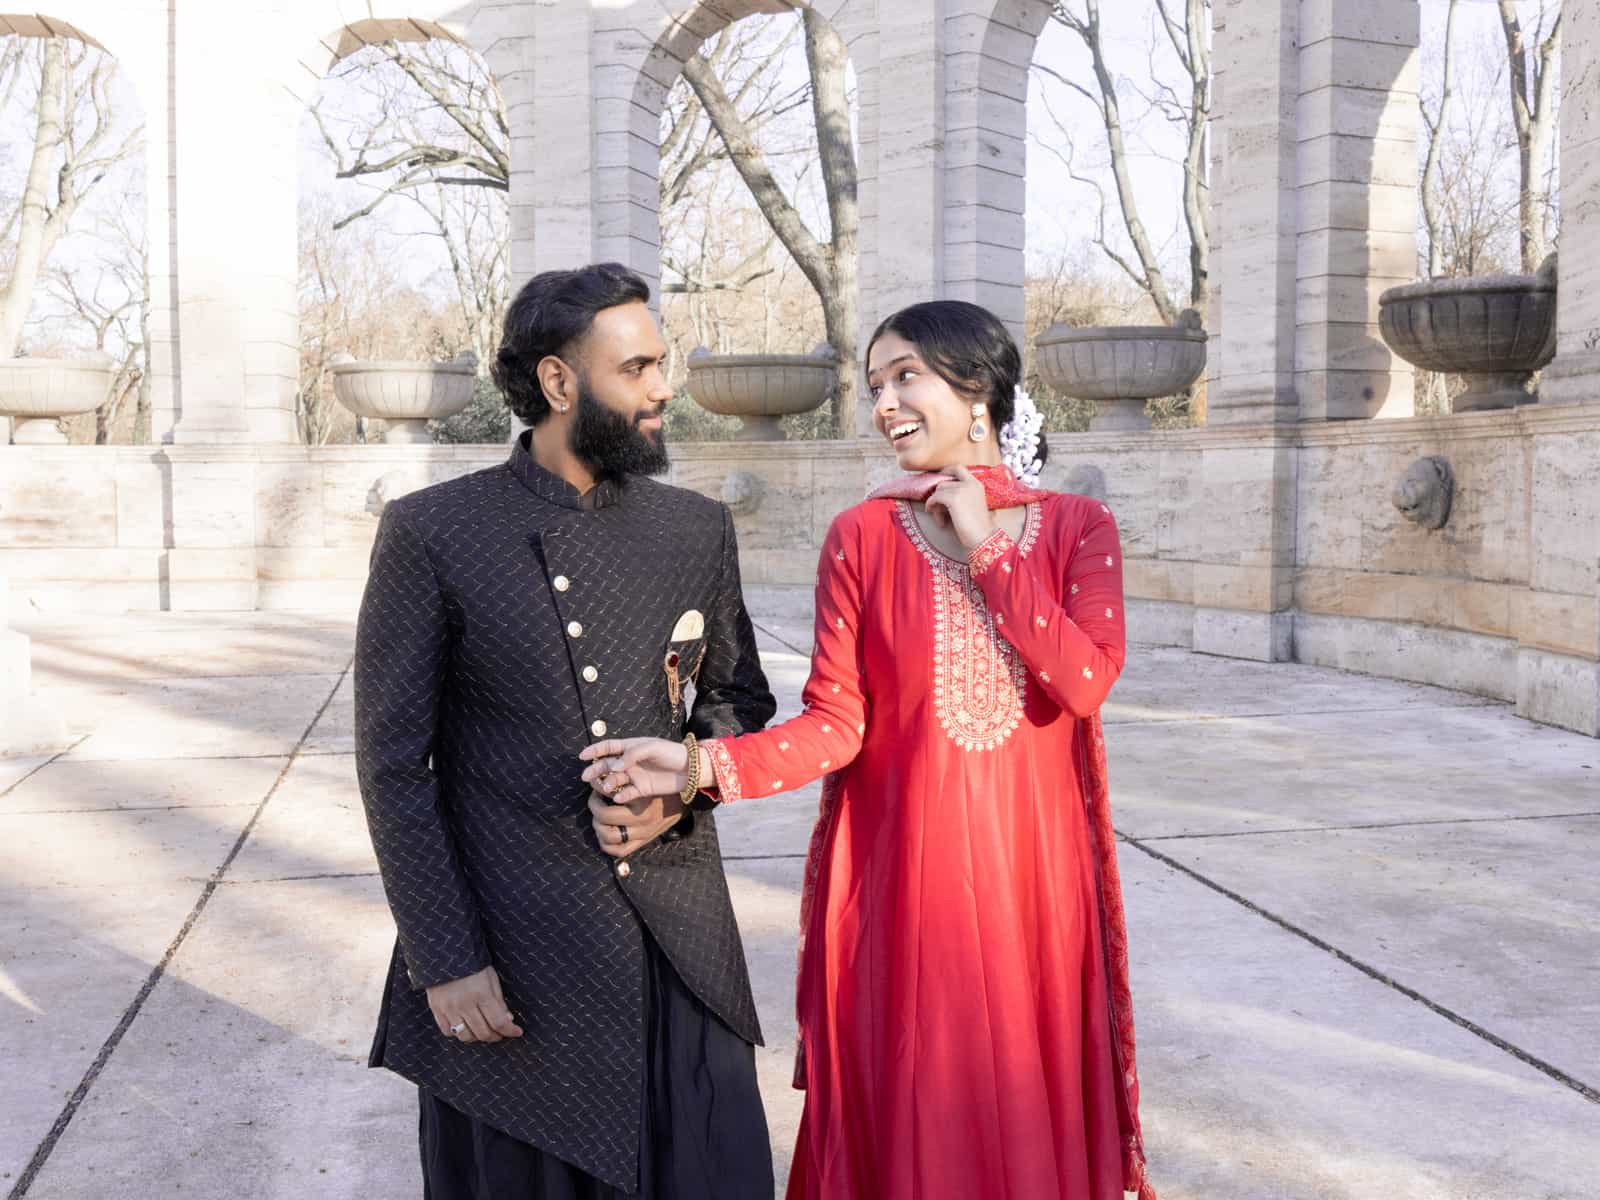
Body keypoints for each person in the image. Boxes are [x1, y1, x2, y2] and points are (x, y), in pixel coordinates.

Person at [581, 300, 1156, 1199]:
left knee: (1024, 1099)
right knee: (913, 1107)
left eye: (905, 377)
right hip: (907, 886)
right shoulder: (862, 535)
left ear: (977, 392)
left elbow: (1082, 683)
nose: (885, 403)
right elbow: (834, 725)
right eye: (874, 384)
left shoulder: (1079, 527)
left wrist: (987, 550)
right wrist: (696, 766)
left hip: (1037, 889)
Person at [354, 262, 778, 1199]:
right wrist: (447, 960)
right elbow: (392, 767)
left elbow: (736, 704)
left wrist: (685, 787)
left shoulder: (694, 527)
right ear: (558, 382)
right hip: (512, 958)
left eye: (661, 364)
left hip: (680, 945)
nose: (664, 387)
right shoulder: (435, 529)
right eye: (638, 368)